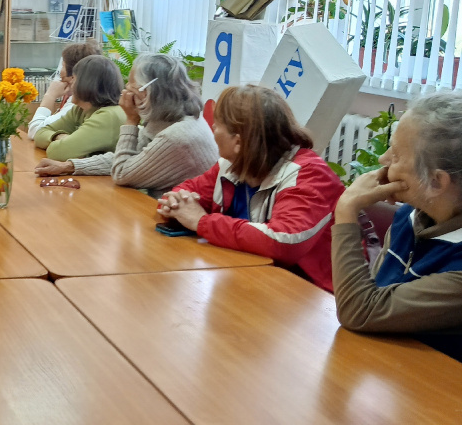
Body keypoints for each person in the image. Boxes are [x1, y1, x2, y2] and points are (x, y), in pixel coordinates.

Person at [158, 84, 343, 292]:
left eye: (217, 125)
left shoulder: (310, 174)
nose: (212, 129)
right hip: (252, 280)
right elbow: (190, 189)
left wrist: (201, 222)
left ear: (238, 142)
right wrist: (176, 202)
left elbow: (283, 240)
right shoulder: (232, 163)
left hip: (312, 296)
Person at [331, 93, 462, 357]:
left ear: (437, 182)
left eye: (397, 155)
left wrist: (346, 209)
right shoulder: (410, 216)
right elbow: (375, 292)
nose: (383, 160)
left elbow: (360, 310)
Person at [35, 53, 217, 198]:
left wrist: (131, 120)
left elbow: (122, 173)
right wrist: (69, 166)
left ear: (148, 91)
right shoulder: (165, 119)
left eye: (131, 86)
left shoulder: (177, 136)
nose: (125, 91)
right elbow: (129, 159)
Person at [32, 54, 125, 161]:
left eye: (74, 78)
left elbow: (57, 152)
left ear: (87, 83)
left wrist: (63, 142)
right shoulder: (80, 109)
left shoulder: (108, 116)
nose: (70, 82)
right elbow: (39, 134)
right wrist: (59, 136)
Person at [27, 41, 101, 136]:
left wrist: (50, 96)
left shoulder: (78, 103)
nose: (60, 73)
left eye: (63, 66)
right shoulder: (83, 98)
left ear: (74, 75)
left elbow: (35, 131)